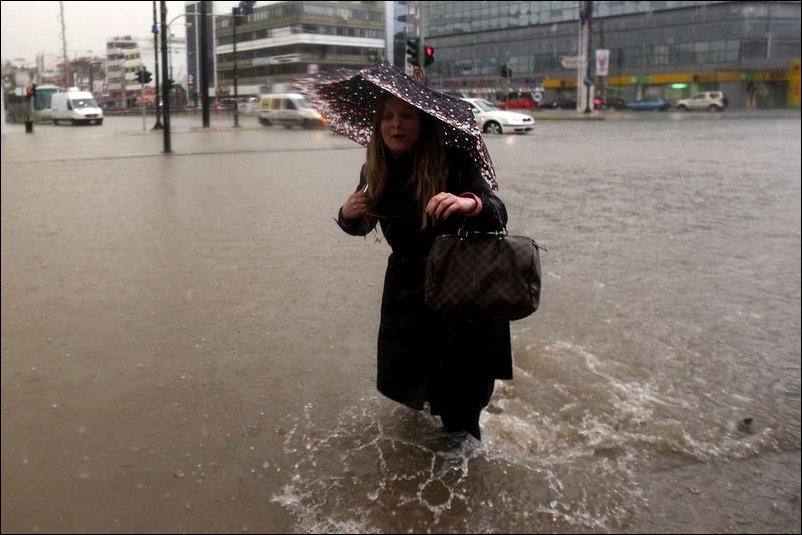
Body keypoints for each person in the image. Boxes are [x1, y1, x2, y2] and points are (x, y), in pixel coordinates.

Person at [336, 93, 512, 440]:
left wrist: (467, 203)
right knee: (415, 395)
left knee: (461, 411)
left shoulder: (454, 161)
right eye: (387, 117)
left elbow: (498, 212)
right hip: (407, 295)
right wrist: (347, 214)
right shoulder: (375, 169)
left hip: (460, 294)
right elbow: (361, 225)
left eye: (406, 117)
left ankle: (465, 480)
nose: (395, 125)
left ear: (423, 123)